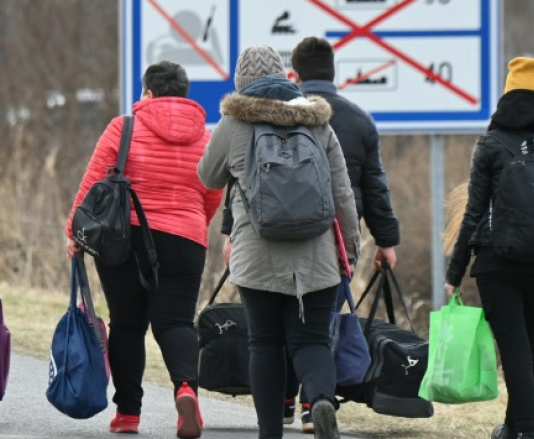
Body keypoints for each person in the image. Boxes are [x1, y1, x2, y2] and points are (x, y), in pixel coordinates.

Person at [198, 44, 361, 439]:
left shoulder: (234, 123)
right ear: (286, 77)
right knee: (311, 341)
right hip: (317, 256)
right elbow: (342, 193)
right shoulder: (317, 122)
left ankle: (270, 431)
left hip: (257, 255)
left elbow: (207, 176)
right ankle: (319, 399)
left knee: (265, 343)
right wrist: (350, 250)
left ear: (241, 82)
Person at [66, 61, 222, 438]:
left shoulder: (123, 128)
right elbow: (213, 192)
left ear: (148, 93)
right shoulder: (206, 137)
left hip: (126, 237)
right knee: (176, 322)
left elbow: (94, 181)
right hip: (185, 238)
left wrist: (74, 230)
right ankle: (186, 389)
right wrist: (192, 224)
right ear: (184, 95)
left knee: (127, 323)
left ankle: (128, 414)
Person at [443, 57, 534, 439]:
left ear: (508, 93)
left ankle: (528, 431)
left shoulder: (491, 143)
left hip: (497, 262)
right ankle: (514, 429)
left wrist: (454, 273)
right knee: (528, 348)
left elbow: (474, 212)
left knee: (514, 351)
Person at [285, 35, 401, 431]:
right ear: (334, 75)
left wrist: (232, 232)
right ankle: (312, 403)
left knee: (280, 314)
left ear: (294, 75)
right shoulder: (358, 119)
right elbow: (375, 187)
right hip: (337, 239)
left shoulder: (281, 114)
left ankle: (283, 398)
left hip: (281, 233)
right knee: (323, 321)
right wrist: (386, 241)